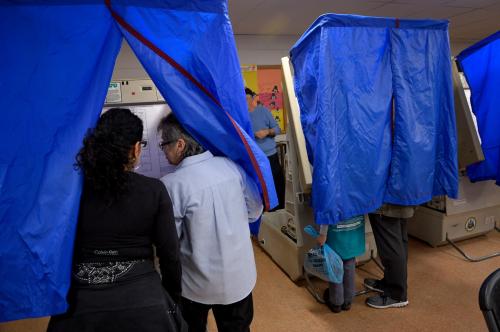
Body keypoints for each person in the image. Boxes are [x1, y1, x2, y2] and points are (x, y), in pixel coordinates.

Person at [47, 108, 185, 332]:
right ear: (136, 148)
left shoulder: (72, 192)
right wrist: (171, 302)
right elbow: (170, 255)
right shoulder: (154, 190)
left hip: (81, 304)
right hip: (145, 301)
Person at [158, 114, 263, 332]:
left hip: (195, 285)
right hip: (238, 279)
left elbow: (170, 242)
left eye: (164, 145)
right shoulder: (231, 166)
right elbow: (254, 211)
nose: (163, 152)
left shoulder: (171, 185)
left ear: (180, 144)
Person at [364, 204, 415, 309]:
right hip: (402, 197)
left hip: (387, 204)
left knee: (391, 246)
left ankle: (396, 295)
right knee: (399, 240)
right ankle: (390, 283)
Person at [245, 87, 285, 210]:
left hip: (270, 156)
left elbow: (277, 129)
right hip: (253, 158)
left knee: (277, 185)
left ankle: (278, 211)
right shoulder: (240, 115)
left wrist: (267, 132)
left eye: (248, 98)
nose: (246, 101)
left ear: (253, 98)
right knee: (259, 189)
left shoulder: (263, 111)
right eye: (243, 99)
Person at [317, 215, 365, 313]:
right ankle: (347, 301)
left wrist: (322, 234)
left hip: (336, 238)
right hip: (353, 234)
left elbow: (327, 214)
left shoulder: (332, 198)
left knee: (335, 268)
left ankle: (336, 302)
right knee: (350, 267)